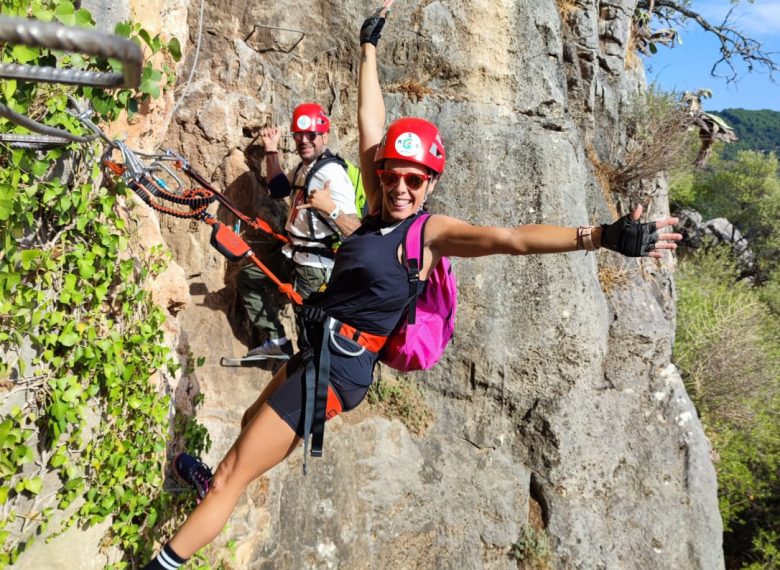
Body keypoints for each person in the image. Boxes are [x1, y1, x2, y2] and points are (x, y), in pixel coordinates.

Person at [143, 3, 682, 568]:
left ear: (429, 184)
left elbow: (512, 239)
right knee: (255, 423)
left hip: (342, 365)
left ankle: (173, 549)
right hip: (320, 349)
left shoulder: (428, 234)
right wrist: (368, 48)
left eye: (413, 179)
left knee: (235, 473)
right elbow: (372, 124)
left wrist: (598, 235)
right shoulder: (377, 210)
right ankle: (210, 494)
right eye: (393, 175)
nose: (400, 185)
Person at [236, 102, 361, 360]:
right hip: (293, 254)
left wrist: (331, 209)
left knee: (309, 333)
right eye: (299, 135)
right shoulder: (307, 167)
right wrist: (271, 151)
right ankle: (277, 341)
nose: (304, 140)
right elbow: (280, 188)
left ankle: (306, 380)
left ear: (324, 136)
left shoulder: (332, 173)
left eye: (311, 135)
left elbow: (357, 231)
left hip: (314, 269)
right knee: (250, 276)